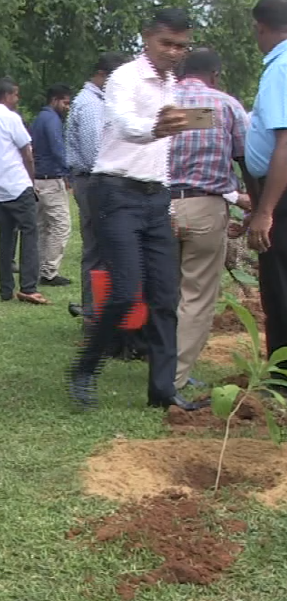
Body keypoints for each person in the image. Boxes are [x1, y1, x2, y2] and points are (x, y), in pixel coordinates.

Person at [69, 7, 206, 412]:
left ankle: (162, 391)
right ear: (147, 38)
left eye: (182, 46)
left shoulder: (171, 84)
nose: (175, 52)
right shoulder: (125, 77)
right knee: (126, 292)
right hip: (115, 192)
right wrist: (155, 128)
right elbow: (125, 123)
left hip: (156, 195)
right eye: (167, 43)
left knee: (165, 296)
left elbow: (163, 143)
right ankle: (85, 368)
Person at [168, 48, 251, 390]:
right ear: (214, 75)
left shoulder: (160, 101)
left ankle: (158, 363)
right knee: (197, 294)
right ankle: (175, 375)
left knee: (164, 290)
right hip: (205, 206)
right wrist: (253, 206)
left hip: (157, 206)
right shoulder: (226, 105)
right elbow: (247, 159)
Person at [66, 52, 130, 319]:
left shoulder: (95, 101)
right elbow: (95, 153)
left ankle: (97, 311)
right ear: (103, 75)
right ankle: (95, 313)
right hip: (95, 181)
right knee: (100, 248)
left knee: (100, 247)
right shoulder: (92, 105)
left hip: (94, 181)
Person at [0, 77, 48, 304]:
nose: (17, 99)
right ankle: (28, 286)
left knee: (5, 237)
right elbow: (27, 152)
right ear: (7, 95)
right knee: (29, 232)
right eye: (15, 95)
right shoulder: (11, 118)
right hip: (17, 183)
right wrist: (31, 179)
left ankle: (6, 288)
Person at [246, 0, 287, 378]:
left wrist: (265, 210)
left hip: (281, 194)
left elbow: (284, 144)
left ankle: (282, 376)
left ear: (261, 27)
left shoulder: (280, 68)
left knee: (279, 286)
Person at [30, 83, 74, 287]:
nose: (67, 107)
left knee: (42, 226)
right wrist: (70, 172)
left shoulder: (39, 118)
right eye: (65, 102)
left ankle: (38, 267)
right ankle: (49, 271)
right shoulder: (52, 120)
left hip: (37, 178)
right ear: (55, 100)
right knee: (61, 225)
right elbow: (58, 149)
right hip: (51, 179)